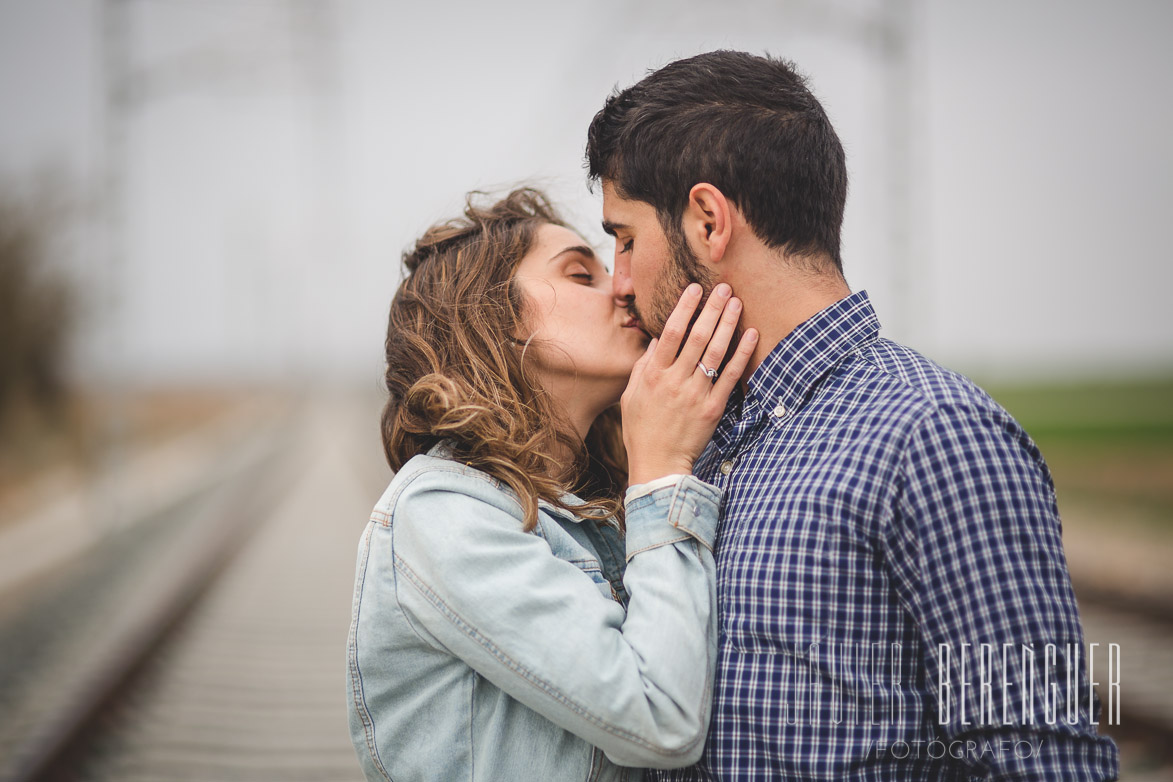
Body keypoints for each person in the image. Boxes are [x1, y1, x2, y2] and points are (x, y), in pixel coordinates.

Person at [586, 50, 1120, 781]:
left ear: (708, 221)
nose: (617, 284)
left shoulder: (934, 436)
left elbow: (1038, 760)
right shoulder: (690, 435)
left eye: (624, 239)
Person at [346, 187, 758, 782]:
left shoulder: (593, 501)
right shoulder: (443, 514)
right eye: (579, 274)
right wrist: (663, 472)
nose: (623, 288)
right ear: (496, 318)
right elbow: (659, 716)